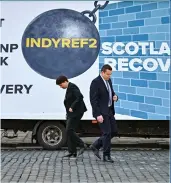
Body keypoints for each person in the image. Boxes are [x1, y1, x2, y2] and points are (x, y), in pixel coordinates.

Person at [89, 64, 118, 163]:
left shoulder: (109, 80)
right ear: (102, 72)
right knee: (107, 133)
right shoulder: (95, 82)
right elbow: (93, 100)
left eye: (110, 74)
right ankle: (106, 155)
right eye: (108, 74)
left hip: (109, 110)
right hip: (101, 112)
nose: (109, 76)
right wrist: (97, 114)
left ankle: (96, 145)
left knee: (114, 131)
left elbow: (112, 92)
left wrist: (115, 97)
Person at [56, 75, 87, 158]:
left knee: (69, 130)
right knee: (69, 131)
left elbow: (80, 97)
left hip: (77, 112)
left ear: (65, 81)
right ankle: (72, 152)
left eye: (61, 85)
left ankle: (82, 144)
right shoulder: (69, 88)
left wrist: (72, 107)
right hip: (71, 113)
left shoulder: (73, 87)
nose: (60, 87)